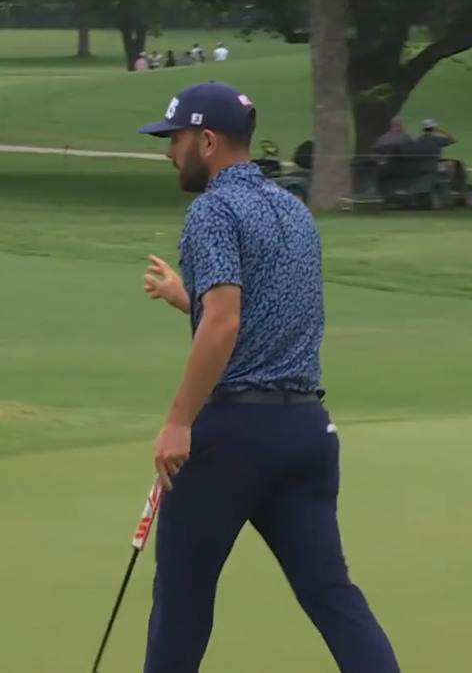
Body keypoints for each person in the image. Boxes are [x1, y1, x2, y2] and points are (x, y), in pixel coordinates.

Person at [135, 82, 399, 673]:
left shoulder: (211, 211)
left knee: (180, 602)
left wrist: (178, 421)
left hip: (233, 434)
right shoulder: (293, 211)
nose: (170, 153)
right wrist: (188, 299)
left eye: (175, 140)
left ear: (207, 140)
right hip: (305, 433)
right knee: (332, 595)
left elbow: (225, 325)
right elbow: (268, 316)